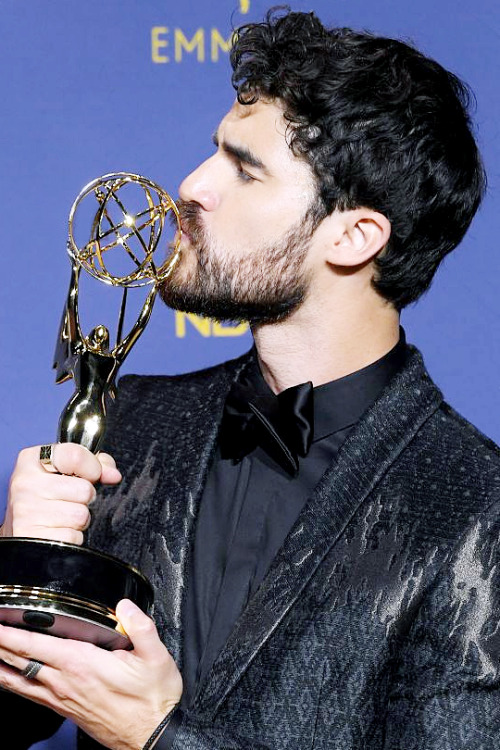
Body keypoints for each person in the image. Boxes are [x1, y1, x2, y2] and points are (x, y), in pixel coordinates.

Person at [1, 8, 499, 750]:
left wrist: (159, 738)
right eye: (213, 154)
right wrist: (22, 577)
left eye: (245, 168)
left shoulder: (474, 507)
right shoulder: (135, 423)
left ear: (354, 235)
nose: (193, 186)